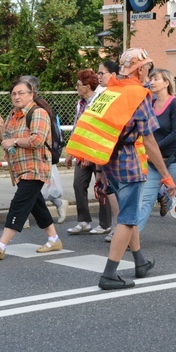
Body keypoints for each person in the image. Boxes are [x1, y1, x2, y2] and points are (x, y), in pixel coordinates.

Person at [67, 47, 176, 290]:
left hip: (108, 160)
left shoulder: (110, 92)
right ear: (140, 69)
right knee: (127, 219)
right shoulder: (138, 94)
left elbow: (93, 126)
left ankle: (140, 263)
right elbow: (149, 141)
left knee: (127, 214)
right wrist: (167, 177)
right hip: (129, 162)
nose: (149, 69)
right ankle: (109, 274)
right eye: (147, 66)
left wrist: (97, 166)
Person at [0, 78, 62, 260]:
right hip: (20, 168)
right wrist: (1, 127)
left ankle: (1, 245)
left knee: (19, 204)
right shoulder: (13, 115)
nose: (17, 96)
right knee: (36, 204)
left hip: (35, 167)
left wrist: (14, 141)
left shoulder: (38, 113)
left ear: (31, 94)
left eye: (21, 93)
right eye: (14, 94)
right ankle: (54, 238)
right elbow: (4, 139)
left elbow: (37, 140)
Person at [137, 69, 176, 247]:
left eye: (156, 79)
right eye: (151, 79)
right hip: (155, 160)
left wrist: (154, 148)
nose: (152, 82)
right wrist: (152, 151)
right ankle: (133, 236)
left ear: (167, 83)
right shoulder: (150, 103)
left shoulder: (175, 104)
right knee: (146, 198)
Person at [65, 69, 112, 235]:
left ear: (87, 86)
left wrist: (89, 154)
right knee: (78, 184)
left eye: (79, 84)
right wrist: (71, 151)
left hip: (96, 151)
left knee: (101, 187)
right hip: (81, 152)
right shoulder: (80, 104)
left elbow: (98, 129)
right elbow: (77, 128)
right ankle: (83, 221)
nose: (77, 87)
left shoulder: (100, 101)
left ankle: (105, 223)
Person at [20, 75, 67, 225]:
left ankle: (21, 218)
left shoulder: (35, 109)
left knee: (28, 190)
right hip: (39, 154)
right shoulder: (43, 105)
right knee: (34, 191)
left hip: (36, 154)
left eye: (22, 90)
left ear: (31, 90)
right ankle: (57, 207)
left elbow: (37, 137)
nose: (17, 94)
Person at [96, 60, 121, 242]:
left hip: (122, 155)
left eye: (101, 73)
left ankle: (122, 230)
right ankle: (120, 229)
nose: (98, 76)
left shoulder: (120, 94)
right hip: (105, 153)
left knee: (122, 194)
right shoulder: (101, 94)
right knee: (110, 190)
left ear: (113, 75)